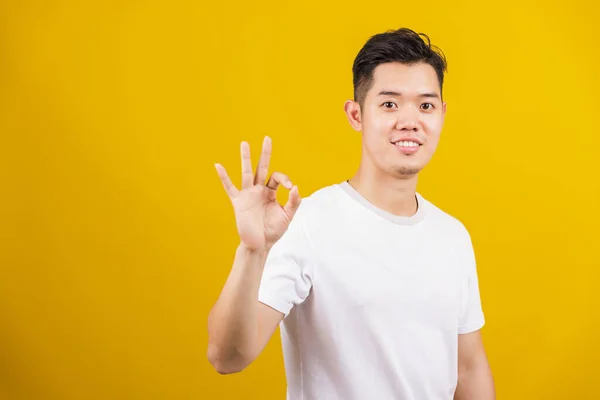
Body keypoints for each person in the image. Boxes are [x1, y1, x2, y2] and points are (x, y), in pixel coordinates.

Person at [207, 27, 495, 400]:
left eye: (425, 105)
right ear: (356, 114)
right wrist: (252, 251)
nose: (409, 121)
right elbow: (228, 356)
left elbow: (468, 369)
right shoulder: (306, 224)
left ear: (442, 113)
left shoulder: (453, 236)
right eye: (389, 104)